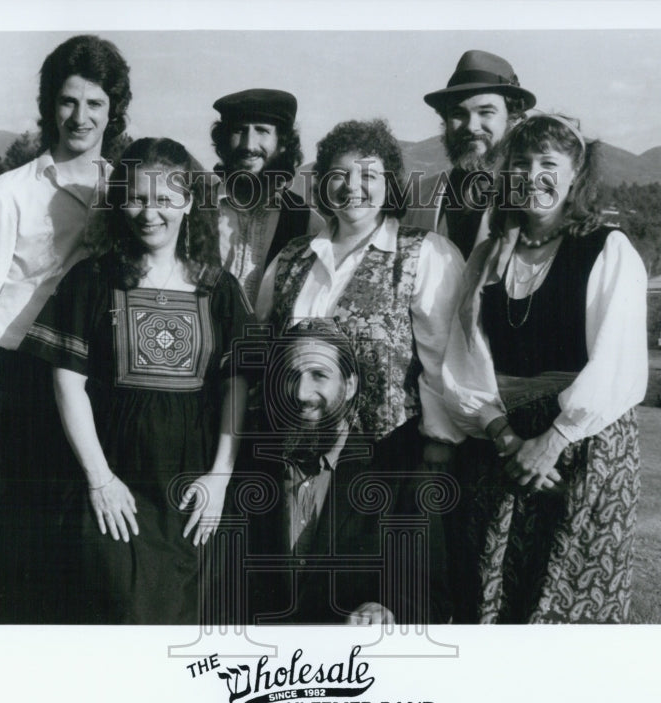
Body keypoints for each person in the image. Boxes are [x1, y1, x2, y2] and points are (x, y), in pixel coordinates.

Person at [0, 35, 132, 623]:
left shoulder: (129, 191)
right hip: (27, 387)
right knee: (23, 555)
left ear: (113, 110)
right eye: (69, 102)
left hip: (106, 388)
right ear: (49, 105)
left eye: (96, 104)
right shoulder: (8, 192)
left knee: (97, 550)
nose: (81, 117)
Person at [17, 138, 252, 624]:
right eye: (137, 197)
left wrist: (220, 477)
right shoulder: (92, 280)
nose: (150, 213)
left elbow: (237, 385)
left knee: (184, 625)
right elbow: (68, 383)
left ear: (188, 204)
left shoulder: (219, 288)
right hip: (114, 486)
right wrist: (100, 480)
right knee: (120, 614)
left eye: (165, 199)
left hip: (191, 493)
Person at [441, 114, 648, 624]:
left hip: (582, 449)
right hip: (504, 449)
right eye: (521, 163)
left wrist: (553, 440)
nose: (533, 175)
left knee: (569, 600)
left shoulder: (607, 248)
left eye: (549, 164)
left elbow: (616, 362)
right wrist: (510, 441)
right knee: (495, 599)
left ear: (575, 173)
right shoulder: (489, 256)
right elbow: (465, 360)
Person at [255, 119, 464, 462]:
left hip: (386, 456)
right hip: (291, 451)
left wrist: (441, 443)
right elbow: (262, 344)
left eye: (368, 176)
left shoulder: (423, 253)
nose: (352, 186)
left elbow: (443, 361)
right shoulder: (292, 257)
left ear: (389, 184)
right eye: (339, 174)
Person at [227, 319, 398, 625]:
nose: (302, 393)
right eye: (292, 376)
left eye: (319, 375)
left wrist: (383, 609)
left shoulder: (391, 470)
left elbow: (428, 589)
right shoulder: (242, 466)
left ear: (349, 386)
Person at [403, 50, 535, 260]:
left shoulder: (534, 194)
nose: (472, 127)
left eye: (486, 112)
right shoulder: (418, 197)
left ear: (513, 118)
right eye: (458, 114)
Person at [210, 88, 323, 305]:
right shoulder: (194, 209)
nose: (249, 145)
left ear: (283, 143)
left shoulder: (309, 223)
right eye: (239, 130)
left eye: (262, 131)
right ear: (224, 141)